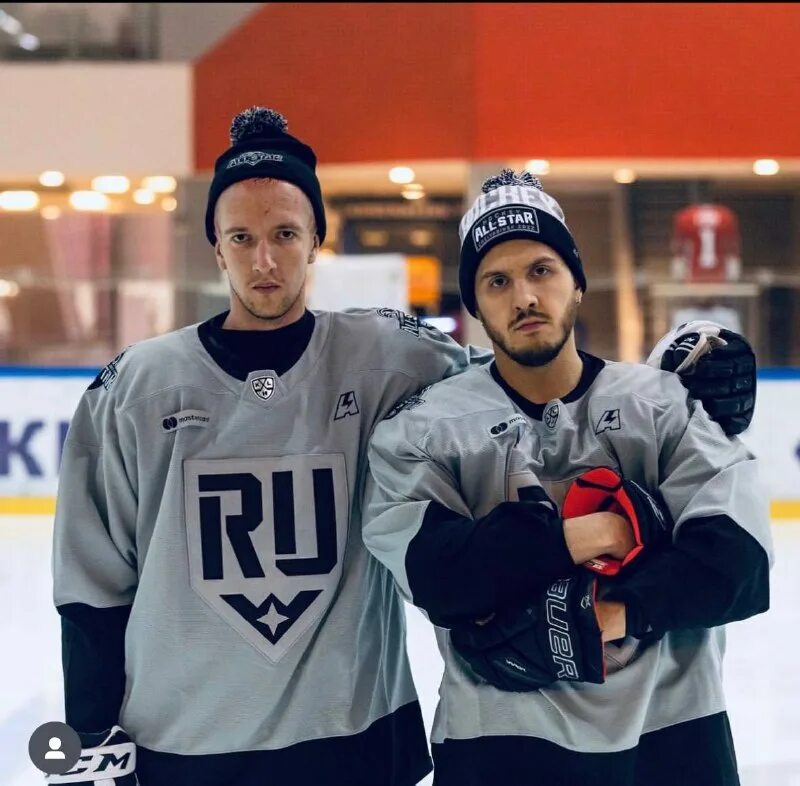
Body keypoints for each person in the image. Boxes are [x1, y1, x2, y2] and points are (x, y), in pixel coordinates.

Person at [50, 109, 755, 786]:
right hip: (185, 749)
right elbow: (92, 579)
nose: (264, 258)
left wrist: (671, 384)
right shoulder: (137, 387)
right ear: (216, 245)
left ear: (316, 238)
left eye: (287, 234)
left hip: (354, 746)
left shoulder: (389, 357)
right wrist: (86, 740)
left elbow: (530, 376)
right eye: (240, 237)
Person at [363, 170, 772, 786]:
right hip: (498, 747)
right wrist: (580, 536)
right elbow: (439, 574)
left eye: (541, 270)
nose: (523, 297)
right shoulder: (424, 430)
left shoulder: (663, 406)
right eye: (496, 281)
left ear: (577, 283)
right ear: (473, 305)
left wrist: (607, 615)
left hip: (670, 740)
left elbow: (738, 564)